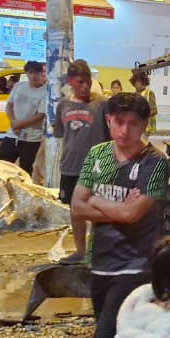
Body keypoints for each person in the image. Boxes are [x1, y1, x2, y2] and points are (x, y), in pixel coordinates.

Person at [67, 93, 170, 338]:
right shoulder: (98, 156)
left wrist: (96, 204)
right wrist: (102, 213)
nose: (124, 130)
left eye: (133, 123)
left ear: (145, 125)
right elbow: (76, 206)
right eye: (118, 121)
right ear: (108, 120)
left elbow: (132, 215)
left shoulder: (155, 163)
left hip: (137, 266)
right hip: (102, 262)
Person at [55, 60, 111, 262]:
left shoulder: (102, 104)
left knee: (100, 211)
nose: (85, 86)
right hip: (70, 167)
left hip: (98, 168)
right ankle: (80, 252)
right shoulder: (63, 105)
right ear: (71, 82)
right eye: (81, 82)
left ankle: (99, 251)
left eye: (88, 81)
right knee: (76, 211)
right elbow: (62, 135)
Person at [0, 61, 47, 175]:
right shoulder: (19, 86)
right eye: (31, 72)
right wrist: (13, 122)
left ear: (42, 74)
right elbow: (9, 106)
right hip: (12, 134)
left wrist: (19, 124)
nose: (34, 76)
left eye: (37, 73)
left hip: (32, 138)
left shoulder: (46, 91)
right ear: (26, 73)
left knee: (25, 170)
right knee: (1, 165)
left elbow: (40, 115)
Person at [130, 69, 157, 137]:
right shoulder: (133, 95)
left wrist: (142, 116)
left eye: (140, 81)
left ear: (144, 82)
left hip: (145, 127)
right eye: (136, 81)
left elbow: (154, 110)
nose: (137, 84)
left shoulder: (149, 93)